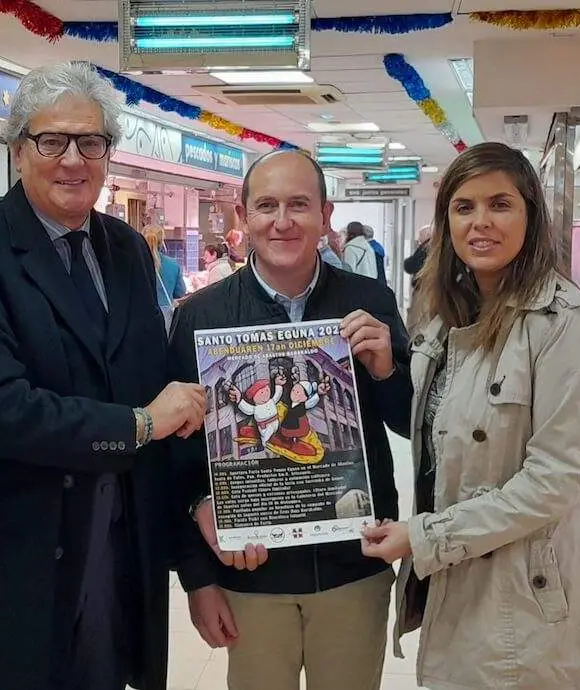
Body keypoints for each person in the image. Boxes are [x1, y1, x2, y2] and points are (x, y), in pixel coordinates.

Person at [0, 61, 206, 690]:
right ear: (19, 150)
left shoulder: (124, 249)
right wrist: (140, 424)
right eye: (52, 141)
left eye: (91, 142)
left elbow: (154, 377)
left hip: (119, 546)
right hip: (20, 555)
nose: (73, 159)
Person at [360, 142, 580, 690]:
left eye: (500, 204)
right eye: (464, 207)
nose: (481, 222)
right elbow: (438, 439)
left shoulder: (566, 324)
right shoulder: (441, 320)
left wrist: (424, 536)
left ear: (531, 215)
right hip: (462, 576)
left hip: (529, 593)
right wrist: (389, 370)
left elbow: (555, 480)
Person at [168, 149, 414, 690]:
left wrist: (389, 368)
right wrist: (197, 579)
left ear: (325, 215)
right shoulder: (200, 318)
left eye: (299, 205)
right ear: (243, 216)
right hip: (251, 574)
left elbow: (407, 424)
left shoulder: (369, 301)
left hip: (353, 564)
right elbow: (177, 461)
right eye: (267, 205)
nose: (283, 221)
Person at [143, 224, 187, 302]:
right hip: (164, 312)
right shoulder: (172, 264)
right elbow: (180, 292)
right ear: (162, 242)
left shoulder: (134, 263)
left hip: (139, 311)